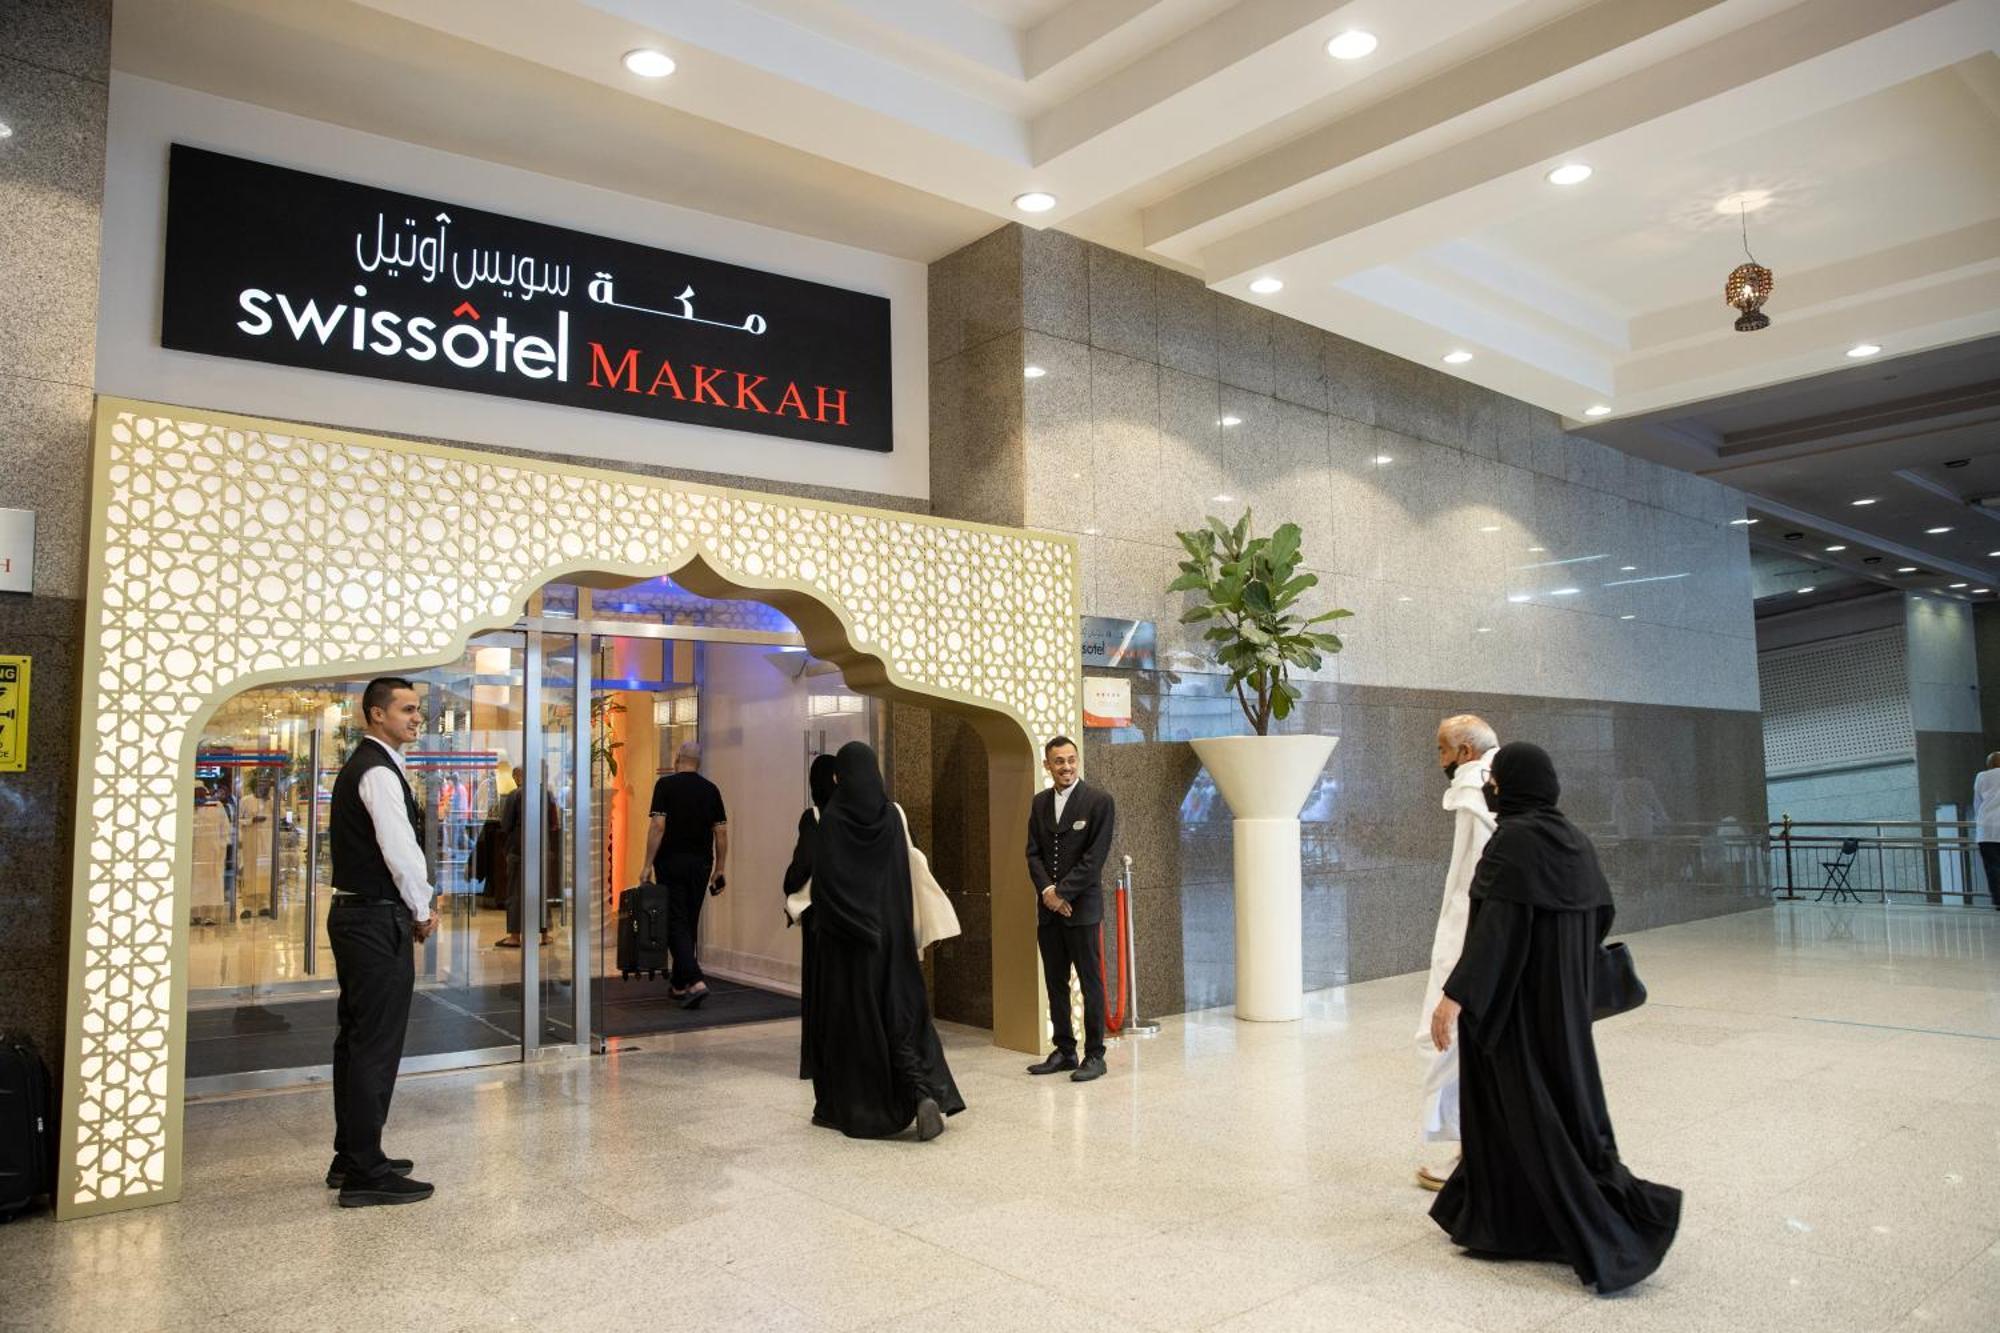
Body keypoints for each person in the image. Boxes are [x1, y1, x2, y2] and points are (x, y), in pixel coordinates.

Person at [1428, 742, 1680, 1294]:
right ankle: (1511, 1221)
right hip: (1563, 1014)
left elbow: (1497, 932)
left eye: (1494, 780)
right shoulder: (1574, 841)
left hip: (1516, 1015)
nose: (1490, 788)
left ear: (1513, 784)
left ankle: (1587, 1228)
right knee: (1564, 1110)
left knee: (1525, 1113)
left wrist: (1455, 997)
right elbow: (1600, 914)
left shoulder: (1512, 844)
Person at [801, 741, 964, 1139]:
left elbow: (826, 886)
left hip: (850, 945)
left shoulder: (834, 819)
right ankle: (921, 1090)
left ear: (839, 777)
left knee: (858, 1025)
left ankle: (859, 1107)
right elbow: (903, 876)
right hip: (893, 939)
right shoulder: (891, 816)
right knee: (901, 1015)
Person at [326, 677, 439, 1207]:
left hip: (358, 917)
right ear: (376, 714)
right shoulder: (377, 771)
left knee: (356, 1039)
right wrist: (421, 907)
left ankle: (353, 1152)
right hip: (374, 921)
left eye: (420, 710)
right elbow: (401, 848)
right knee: (374, 1044)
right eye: (408, 709)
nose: (418, 718)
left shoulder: (370, 764)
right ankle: (365, 1171)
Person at [1416, 714, 1499, 1192]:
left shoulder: (1473, 790)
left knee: (1460, 1048)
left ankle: (1473, 1155)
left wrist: (1462, 973)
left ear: (1465, 752)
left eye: (1443, 751)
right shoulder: (1498, 783)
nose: (1441, 761)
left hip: (1476, 945)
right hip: (1493, 945)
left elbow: (1476, 884)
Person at [1024, 735, 1117, 1083]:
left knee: (1091, 983)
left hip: (1083, 909)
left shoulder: (1099, 801)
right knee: (1055, 980)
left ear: (1077, 761)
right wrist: (1048, 892)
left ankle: (1095, 1055)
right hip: (1048, 910)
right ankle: (1065, 1050)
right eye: (1058, 761)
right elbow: (1032, 853)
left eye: (1071, 760)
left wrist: (1062, 893)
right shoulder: (1039, 803)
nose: (1066, 766)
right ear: (1047, 765)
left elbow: (1094, 859)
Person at [642, 741, 729, 1008]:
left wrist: (647, 864)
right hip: (701, 864)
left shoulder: (665, 786)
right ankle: (680, 985)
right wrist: (720, 869)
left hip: (671, 863)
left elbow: (658, 826)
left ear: (678, 758)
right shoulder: (711, 790)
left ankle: (695, 980)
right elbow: (721, 832)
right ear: (699, 762)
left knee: (674, 922)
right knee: (688, 921)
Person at [784, 753, 840, 1079]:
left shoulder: (815, 817)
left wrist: (788, 887)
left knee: (819, 989)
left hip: (821, 915)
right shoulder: (865, 814)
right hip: (858, 914)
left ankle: (817, 1061)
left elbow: (803, 864)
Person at [495, 766, 561, 949]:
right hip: (542, 848)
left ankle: (515, 936)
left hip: (519, 849)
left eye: (515, 776)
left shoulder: (515, 795)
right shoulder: (547, 794)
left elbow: (505, 824)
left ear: (518, 777)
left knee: (516, 892)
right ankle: (545, 934)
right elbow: (554, 823)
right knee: (542, 890)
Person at [1975, 753, 2000, 909]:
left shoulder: (1981, 777)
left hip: (1986, 828)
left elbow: (1977, 802)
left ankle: (1998, 900)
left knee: (1993, 866)